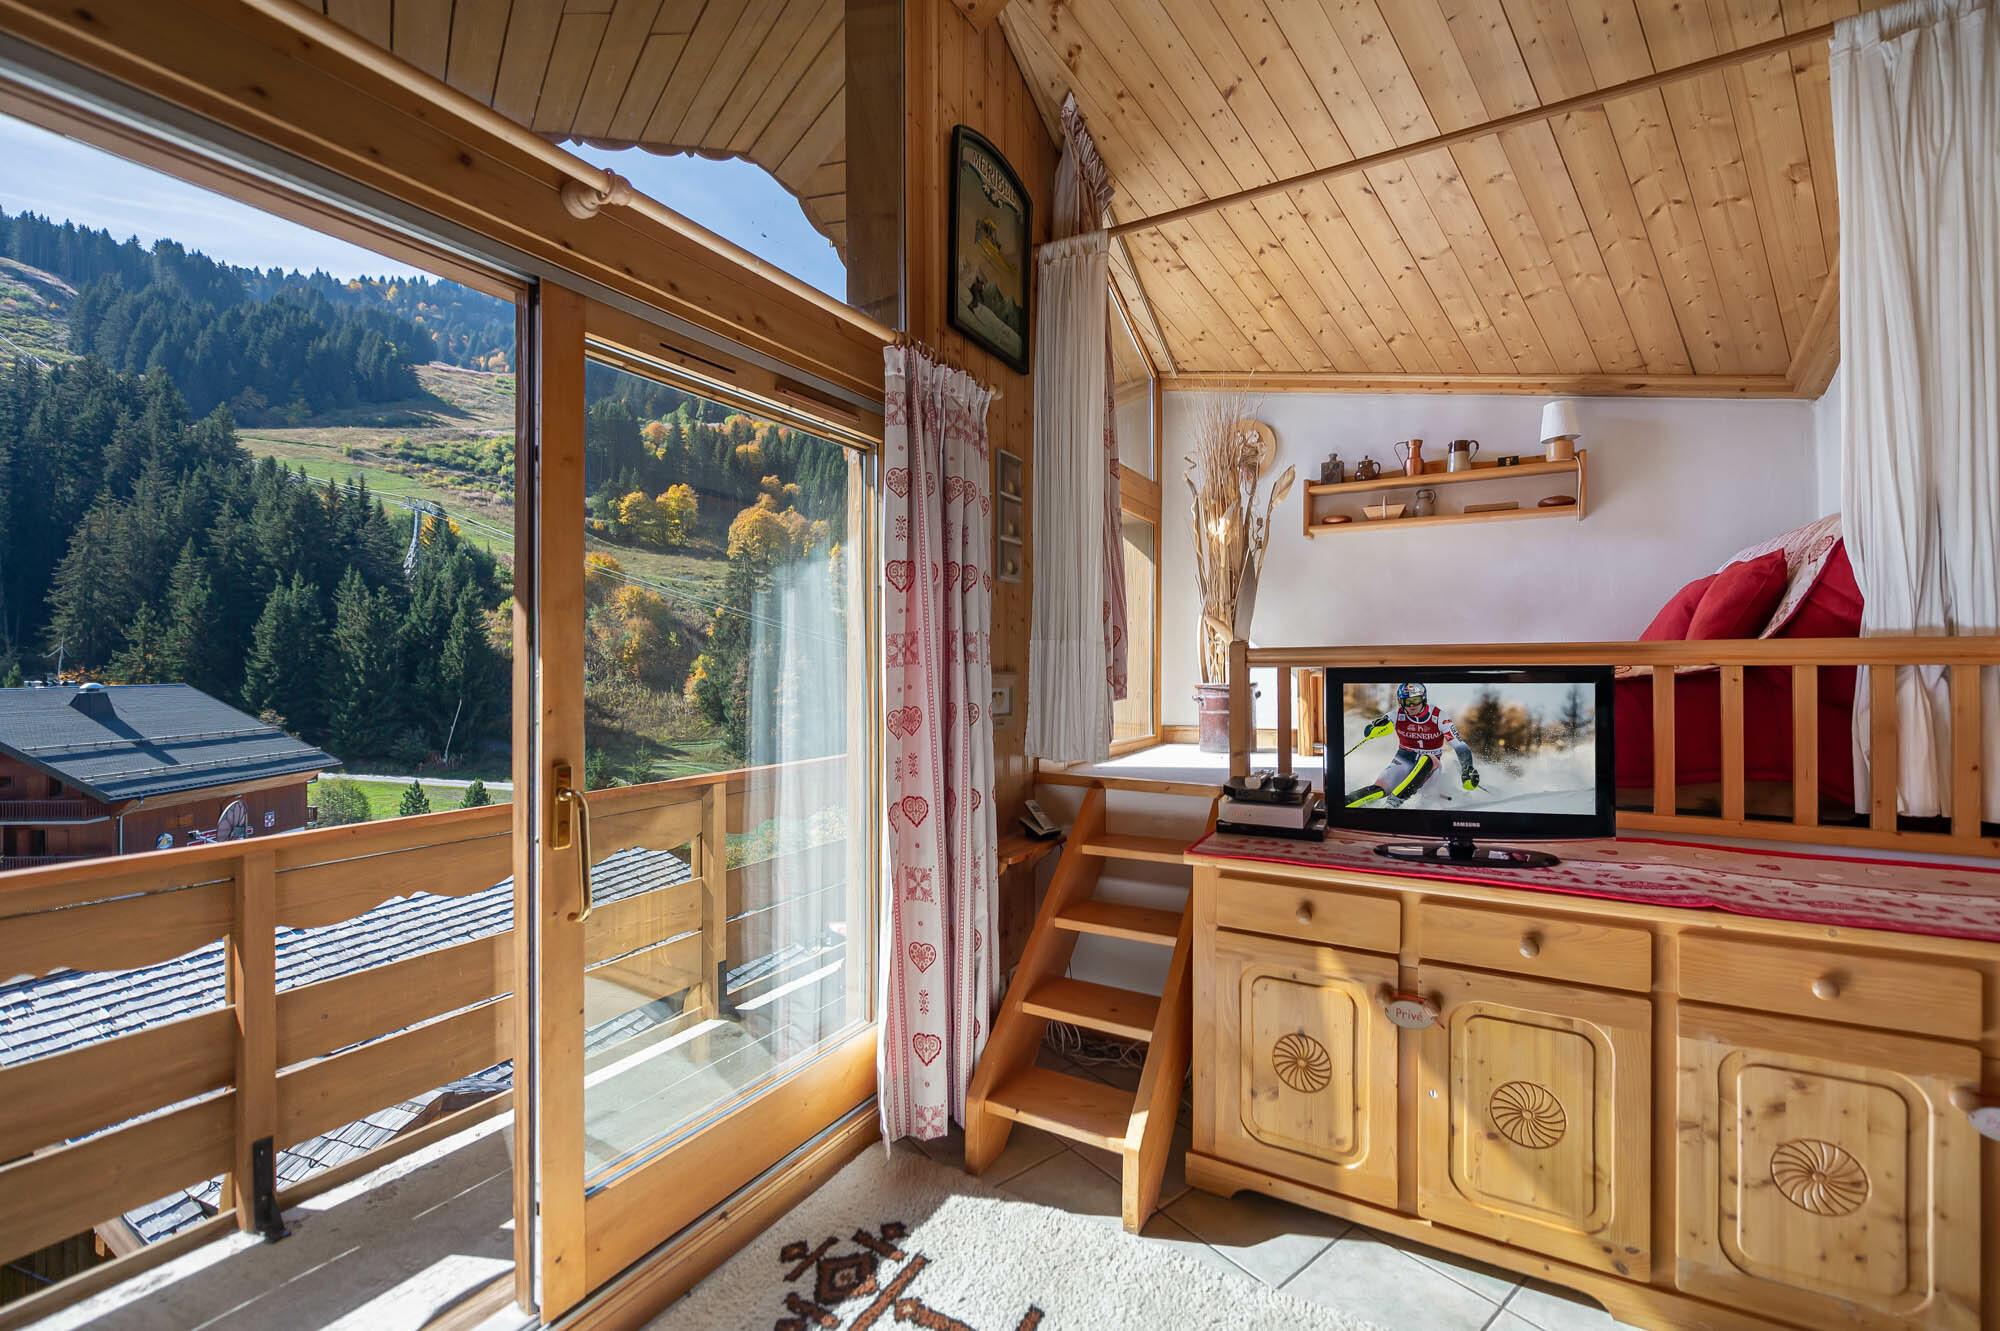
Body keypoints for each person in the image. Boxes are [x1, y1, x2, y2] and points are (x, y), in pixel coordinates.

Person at [1346, 682, 1479, 808]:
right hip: (1403, 760)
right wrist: (1374, 728)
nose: (1411, 705)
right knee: (1379, 788)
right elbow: (1368, 731)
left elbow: (1460, 745)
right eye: (1407, 701)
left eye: (1415, 700)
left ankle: (1394, 802)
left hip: (1431, 767)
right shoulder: (1396, 715)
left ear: (1423, 698)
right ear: (1401, 702)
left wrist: (1467, 767)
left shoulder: (1439, 716)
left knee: (1428, 758)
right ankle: (1346, 802)